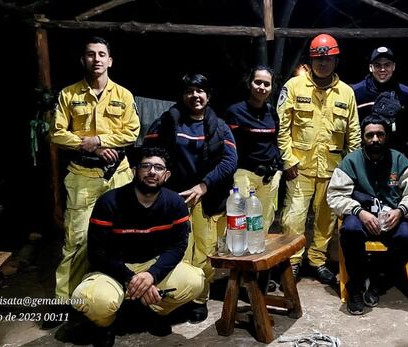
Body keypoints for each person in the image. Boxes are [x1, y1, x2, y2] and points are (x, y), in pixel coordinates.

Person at [71, 146, 204, 346]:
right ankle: (105, 325)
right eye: (146, 166)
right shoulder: (109, 202)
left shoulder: (175, 203)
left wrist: (152, 274)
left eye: (159, 168)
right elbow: (97, 253)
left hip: (151, 266)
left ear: (166, 175)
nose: (152, 172)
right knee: (92, 299)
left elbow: (177, 247)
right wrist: (130, 278)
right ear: (134, 171)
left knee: (194, 281)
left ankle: (154, 311)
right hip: (113, 270)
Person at [50, 36, 140, 301]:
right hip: (82, 175)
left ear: (110, 61)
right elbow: (56, 134)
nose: (97, 59)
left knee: (124, 236)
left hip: (119, 175)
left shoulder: (123, 95)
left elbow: (132, 132)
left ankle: (124, 295)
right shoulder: (68, 94)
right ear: (83, 60)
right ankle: (66, 301)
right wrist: (89, 146)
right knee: (76, 240)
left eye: (102, 54)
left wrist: (100, 140)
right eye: (91, 54)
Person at [145, 73, 237, 323]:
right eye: (189, 91)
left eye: (200, 91)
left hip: (206, 198)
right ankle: (175, 300)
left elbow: (230, 161)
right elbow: (150, 153)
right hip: (174, 198)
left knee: (205, 253)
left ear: (208, 95)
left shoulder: (219, 126)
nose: (195, 96)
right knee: (177, 251)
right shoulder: (168, 121)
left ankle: (199, 299)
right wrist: (161, 185)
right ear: (183, 95)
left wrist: (204, 185)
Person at [277, 33, 361, 283]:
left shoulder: (346, 93)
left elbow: (354, 134)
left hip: (333, 170)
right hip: (299, 168)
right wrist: (288, 160)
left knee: (327, 219)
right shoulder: (294, 87)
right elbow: (282, 126)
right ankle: (292, 261)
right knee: (293, 217)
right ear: (311, 60)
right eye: (317, 59)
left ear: (336, 60)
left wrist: (351, 170)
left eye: (328, 59)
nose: (322, 64)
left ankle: (317, 260)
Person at [327, 114, 408, 315]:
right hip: (361, 215)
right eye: (370, 135)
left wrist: (401, 211)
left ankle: (379, 280)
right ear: (363, 137)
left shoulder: (400, 160)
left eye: (380, 134)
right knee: (350, 230)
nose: (375, 139)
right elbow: (335, 195)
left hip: (391, 217)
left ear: (387, 136)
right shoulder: (350, 162)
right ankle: (356, 286)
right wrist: (359, 212)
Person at [225, 66, 282, 232]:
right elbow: (227, 145)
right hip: (243, 173)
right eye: (258, 82)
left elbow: (276, 140)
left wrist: (278, 168)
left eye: (266, 84)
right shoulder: (235, 112)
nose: (262, 87)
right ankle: (238, 255)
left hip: (268, 176)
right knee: (240, 220)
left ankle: (258, 254)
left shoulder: (272, 113)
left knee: (263, 221)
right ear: (249, 84)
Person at [352, 46, 408, 157]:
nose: (382, 69)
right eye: (377, 65)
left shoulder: (406, 94)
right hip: (364, 153)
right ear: (370, 67)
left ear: (394, 67)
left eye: (387, 65)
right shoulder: (356, 92)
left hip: (397, 153)